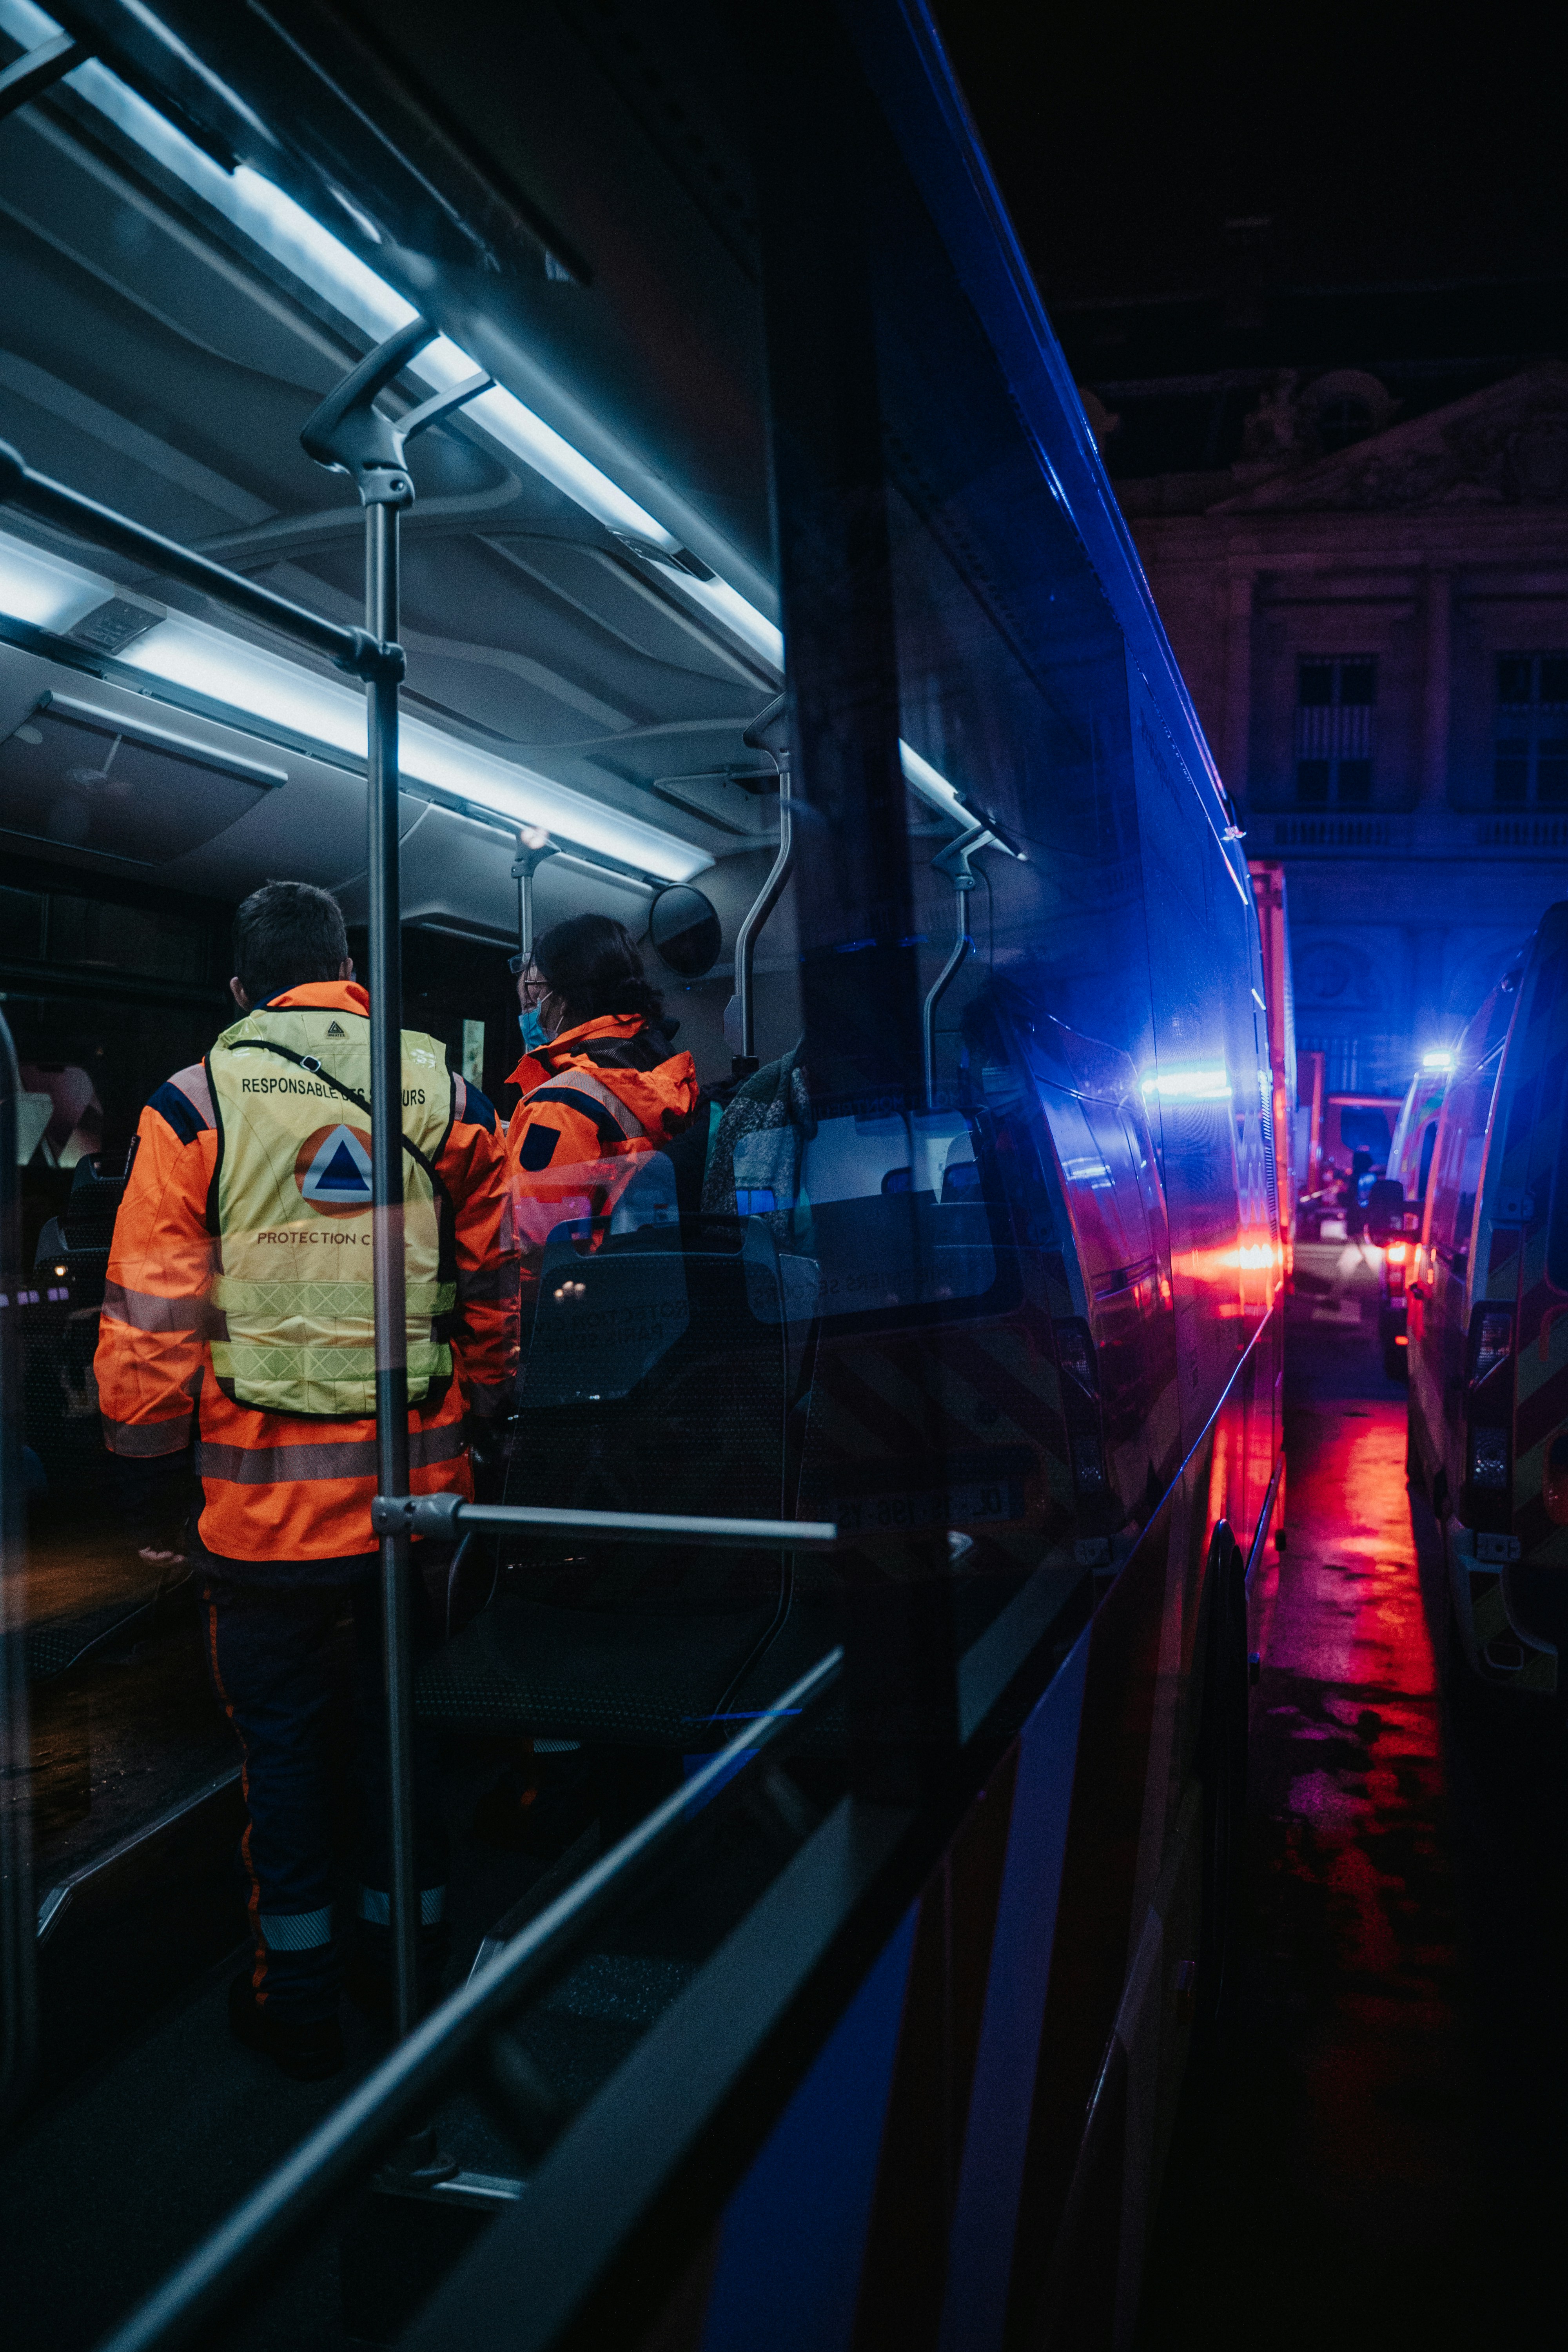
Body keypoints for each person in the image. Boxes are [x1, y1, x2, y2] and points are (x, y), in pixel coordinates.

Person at [94, 881, 515, 2080]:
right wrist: (492, 1392)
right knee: (405, 1732)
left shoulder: (195, 1103)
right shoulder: (447, 1091)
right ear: (347, 971)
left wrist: (146, 1473)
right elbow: (492, 1286)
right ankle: (413, 1972)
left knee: (280, 1751)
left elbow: (150, 1318)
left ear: (241, 985)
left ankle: (302, 1997)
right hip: (417, 1505)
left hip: (261, 1524)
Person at [506, 913, 699, 1306]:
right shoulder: (669, 1076)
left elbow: (532, 1248)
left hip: (578, 1320)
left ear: (560, 998)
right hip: (657, 1301)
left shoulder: (561, 1105)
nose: (533, 1010)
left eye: (536, 995)